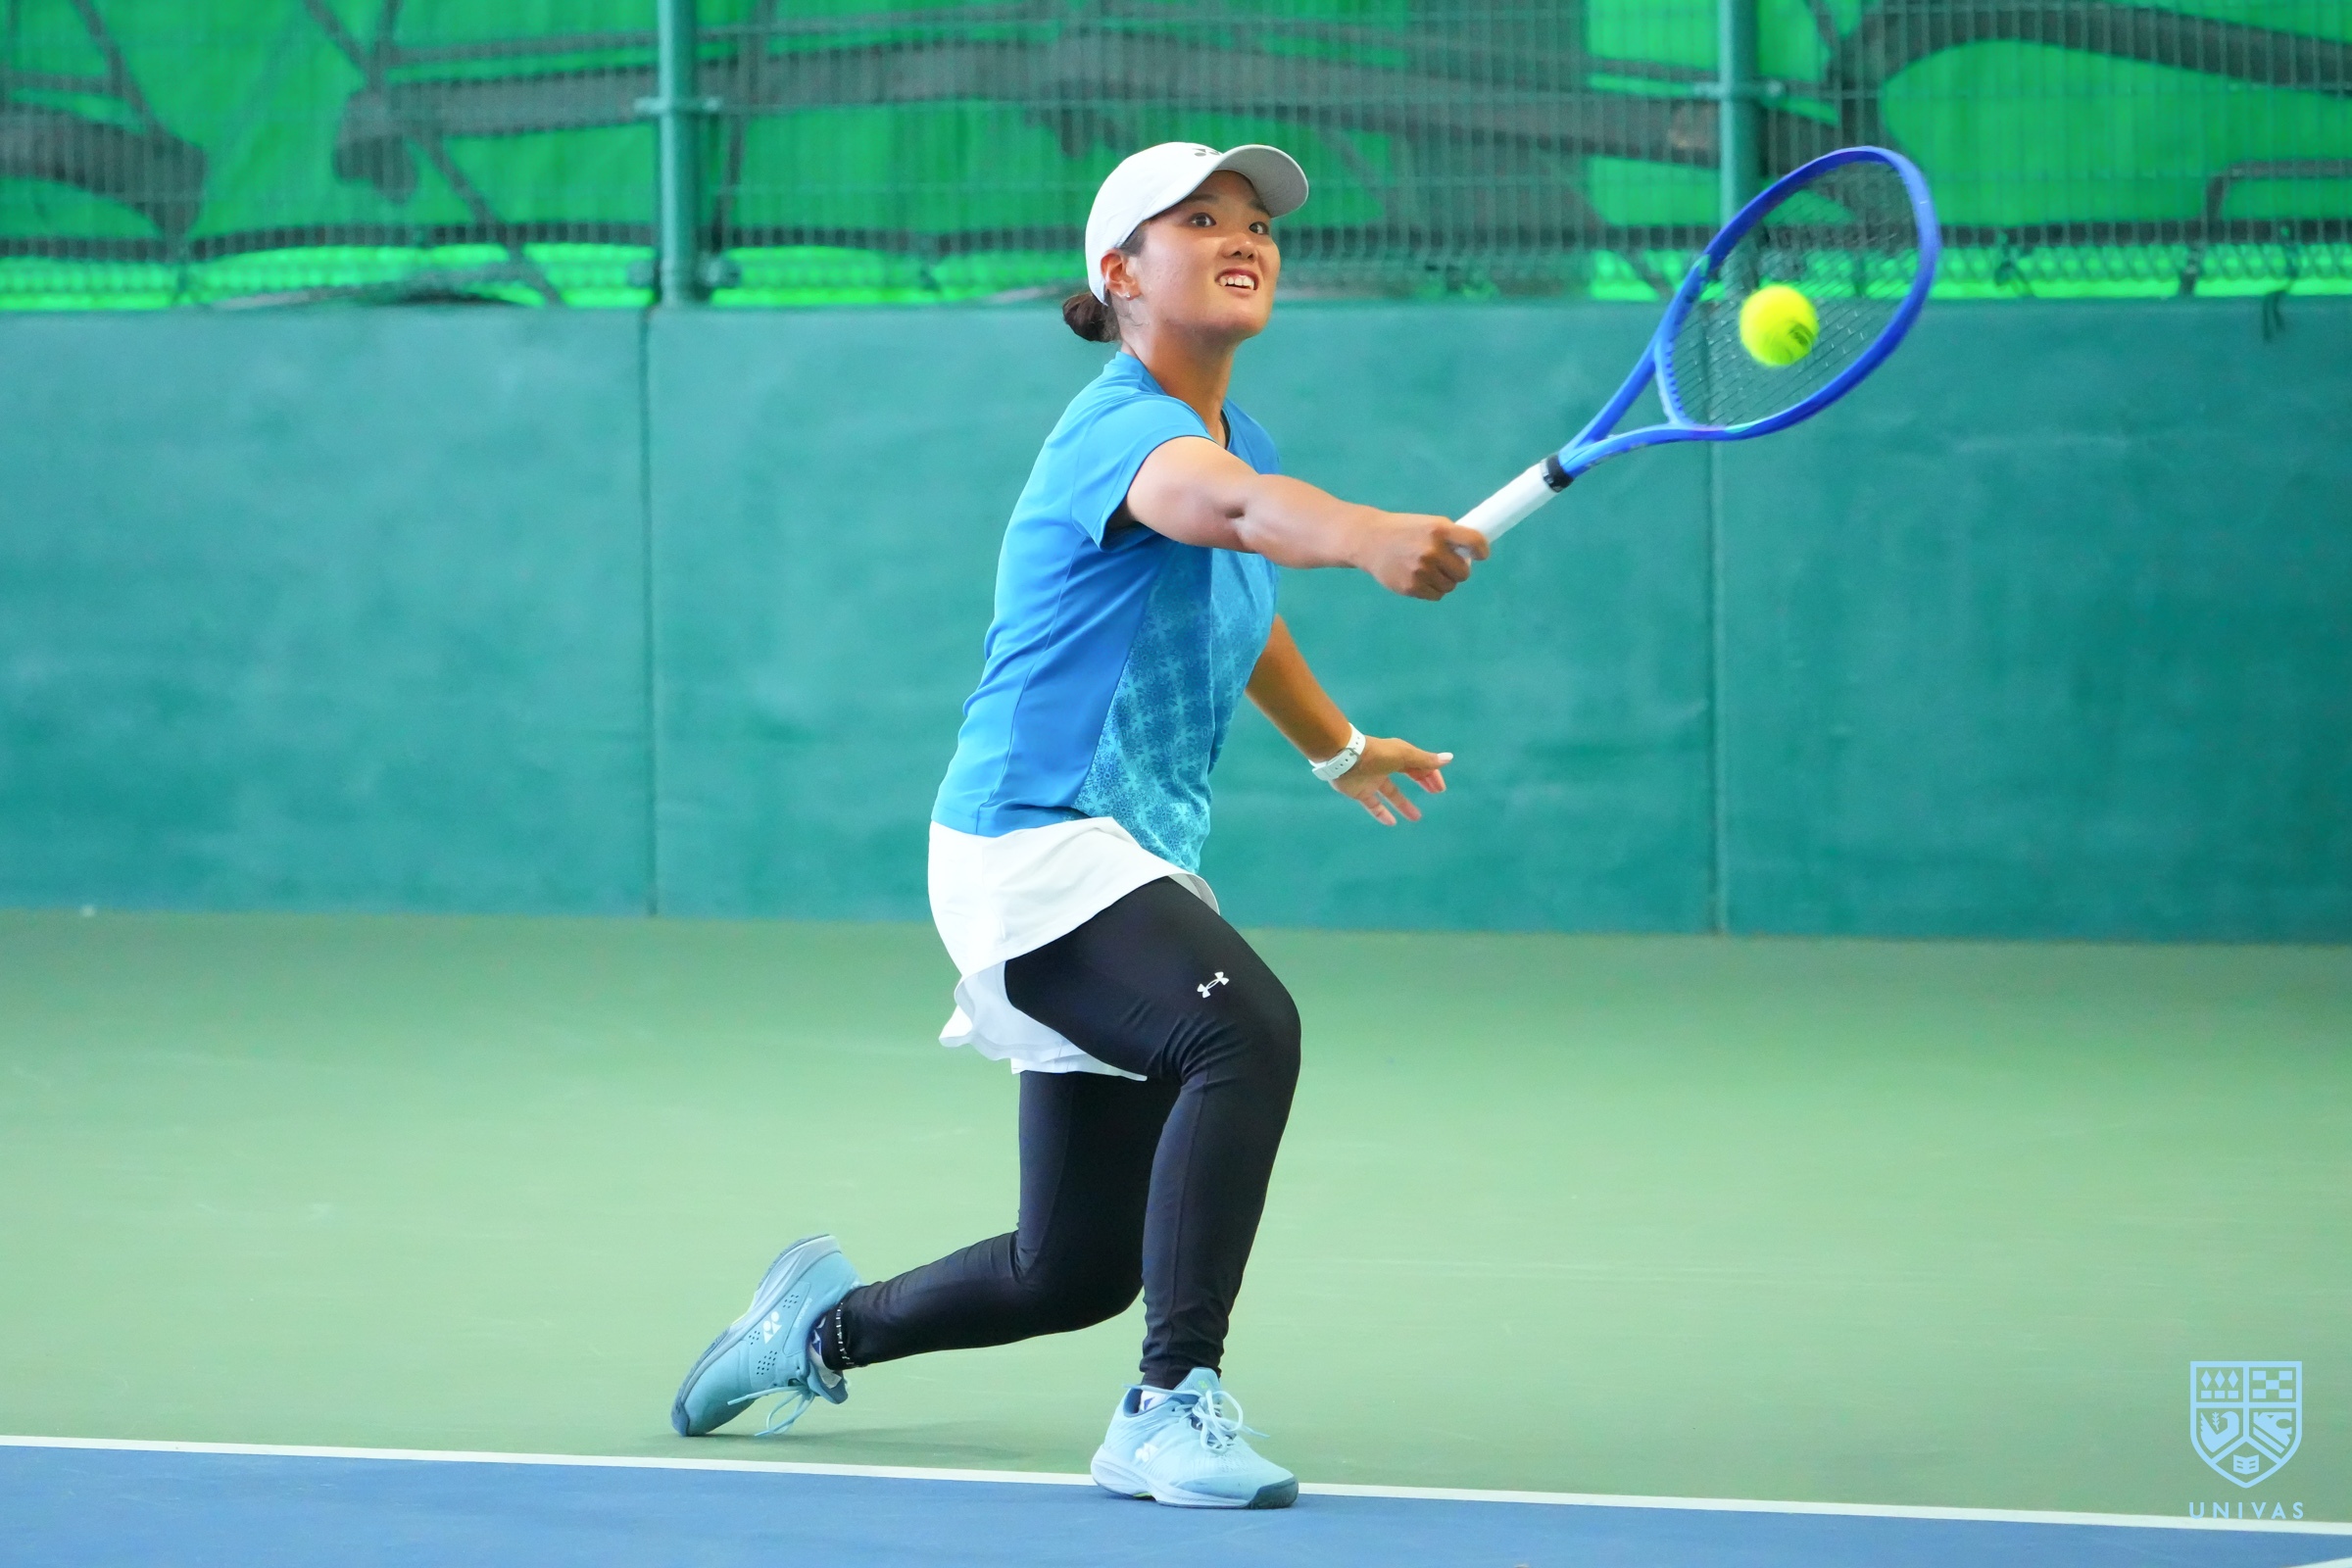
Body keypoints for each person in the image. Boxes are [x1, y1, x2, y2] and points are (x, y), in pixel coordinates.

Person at [668, 141, 1488, 1511]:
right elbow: (1239, 516)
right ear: (1120, 274)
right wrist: (1361, 535)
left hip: (1123, 854)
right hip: (1032, 844)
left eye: (1257, 223)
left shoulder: (1235, 442)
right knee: (1243, 1029)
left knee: (1072, 1270)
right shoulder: (1123, 432)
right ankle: (1169, 1406)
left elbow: (1243, 598)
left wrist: (1339, 747)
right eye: (1200, 220)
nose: (1245, 237)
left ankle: (811, 1331)